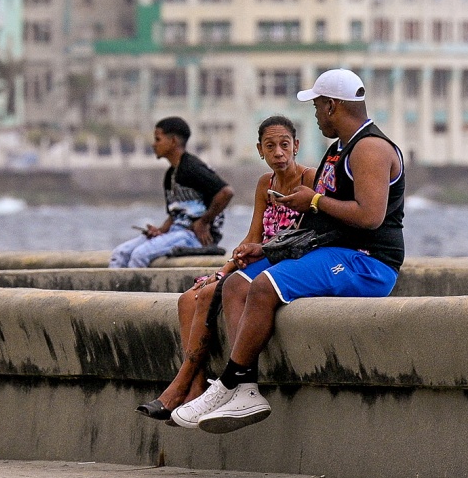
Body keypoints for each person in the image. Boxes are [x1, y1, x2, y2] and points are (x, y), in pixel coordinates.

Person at [171, 68, 406, 434]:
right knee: (236, 285)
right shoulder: (339, 149)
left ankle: (229, 382)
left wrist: (312, 200)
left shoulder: (371, 148)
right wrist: (265, 247)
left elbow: (370, 216)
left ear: (332, 105)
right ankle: (246, 389)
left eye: (316, 107)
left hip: (366, 261)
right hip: (334, 252)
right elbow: (323, 218)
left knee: (264, 286)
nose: (314, 115)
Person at [138, 114, 312, 420]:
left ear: (296, 145)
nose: (278, 153)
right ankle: (195, 386)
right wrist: (222, 270)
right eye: (270, 146)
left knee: (207, 297)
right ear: (260, 150)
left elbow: (306, 238)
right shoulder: (264, 184)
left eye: (284, 144)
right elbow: (254, 237)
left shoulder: (309, 180)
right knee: (188, 297)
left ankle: (180, 388)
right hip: (259, 261)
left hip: (285, 265)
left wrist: (245, 261)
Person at [109, 117, 232, 269]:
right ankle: (116, 293)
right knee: (120, 253)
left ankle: (136, 293)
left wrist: (204, 221)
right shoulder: (170, 175)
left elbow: (226, 192)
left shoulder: (192, 167)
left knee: (140, 255)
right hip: (175, 233)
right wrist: (159, 231)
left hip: (196, 236)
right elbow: (176, 214)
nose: (154, 145)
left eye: (158, 139)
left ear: (173, 141)